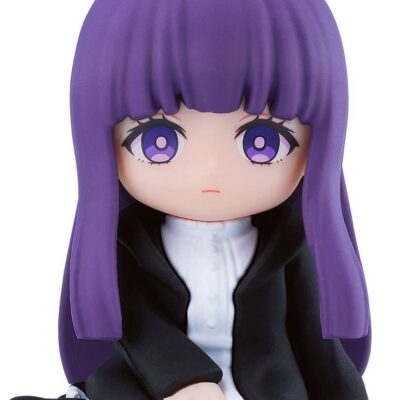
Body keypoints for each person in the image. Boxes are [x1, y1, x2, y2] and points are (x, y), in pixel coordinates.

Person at [12, 0, 370, 399]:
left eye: (262, 142)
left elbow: (315, 341)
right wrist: (185, 381)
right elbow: (137, 327)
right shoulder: (127, 244)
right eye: (157, 140)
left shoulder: (290, 244)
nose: (210, 170)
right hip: (154, 387)